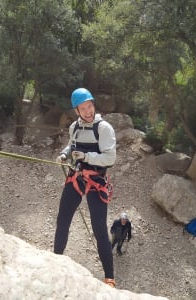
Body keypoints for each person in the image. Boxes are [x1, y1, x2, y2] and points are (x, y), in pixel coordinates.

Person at [54, 87, 117, 288]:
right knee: (62, 220)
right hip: (77, 177)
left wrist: (87, 157)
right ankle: (54, 261)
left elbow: (110, 158)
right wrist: (64, 154)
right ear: (77, 111)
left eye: (90, 106)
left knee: (99, 228)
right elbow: (72, 145)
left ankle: (109, 278)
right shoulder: (75, 127)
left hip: (96, 181)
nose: (88, 111)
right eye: (83, 108)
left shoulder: (103, 128)